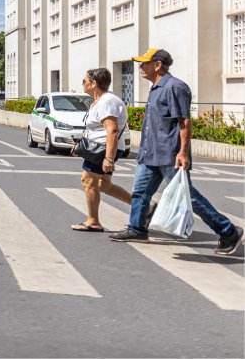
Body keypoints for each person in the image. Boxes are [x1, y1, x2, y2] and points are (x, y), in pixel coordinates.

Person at [109, 49, 243, 255]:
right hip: (150, 153)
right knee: (140, 193)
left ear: (157, 65)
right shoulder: (155, 88)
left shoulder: (174, 87)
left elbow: (185, 122)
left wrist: (183, 153)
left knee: (189, 197)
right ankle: (137, 228)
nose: (140, 67)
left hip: (169, 155)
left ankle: (228, 231)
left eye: (144, 63)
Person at [71, 68, 132, 232]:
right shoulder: (99, 101)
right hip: (99, 148)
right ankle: (144, 210)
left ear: (94, 83)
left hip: (103, 150)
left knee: (88, 180)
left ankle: (93, 221)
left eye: (84, 81)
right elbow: (95, 129)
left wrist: (108, 158)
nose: (82, 84)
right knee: (103, 185)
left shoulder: (107, 101)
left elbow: (112, 129)